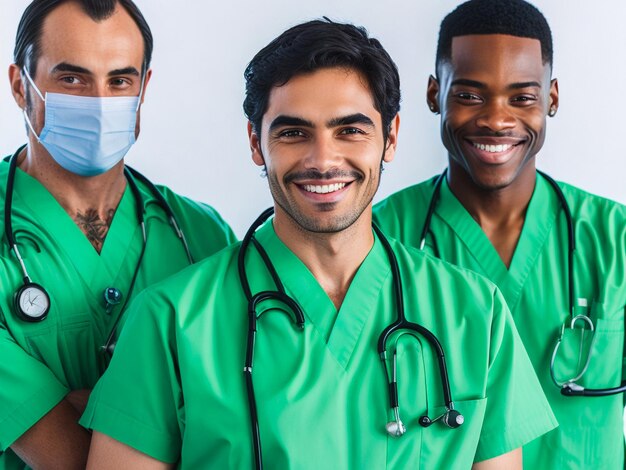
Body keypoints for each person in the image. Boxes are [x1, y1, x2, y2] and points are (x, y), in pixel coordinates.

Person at [81, 18, 557, 470]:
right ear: (255, 142)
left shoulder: (475, 312)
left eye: (350, 130)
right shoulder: (171, 321)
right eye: (293, 133)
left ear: (390, 137)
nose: (323, 159)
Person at [373, 0, 626, 468]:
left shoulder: (616, 238)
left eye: (522, 97)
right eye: (469, 95)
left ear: (552, 98)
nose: (496, 118)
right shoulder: (379, 240)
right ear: (434, 95)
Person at [0, 1, 236, 468]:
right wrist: (165, 416)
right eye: (71, 80)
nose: (100, 103)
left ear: (144, 88)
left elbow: (239, 421)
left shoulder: (201, 235)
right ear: (19, 86)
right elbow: (73, 460)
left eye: (120, 81)